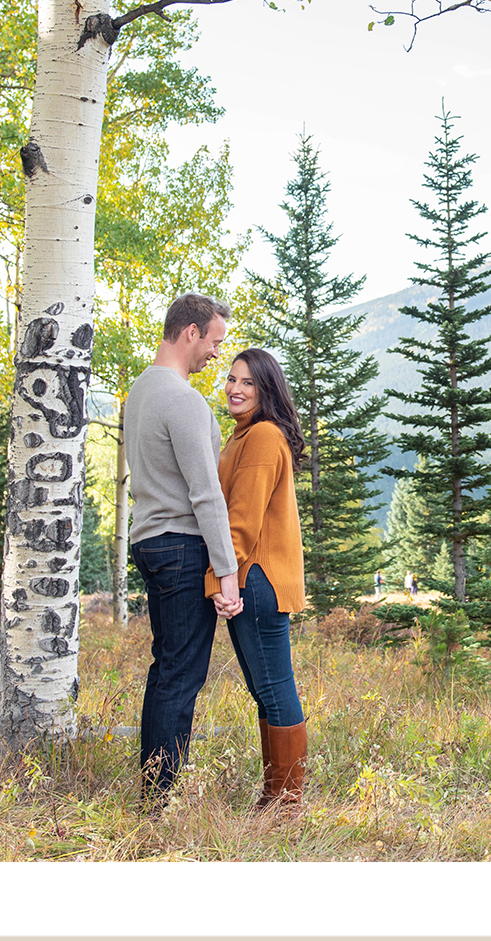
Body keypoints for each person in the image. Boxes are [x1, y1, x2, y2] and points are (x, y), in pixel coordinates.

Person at [124, 293, 243, 806]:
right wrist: (228, 570)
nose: (217, 353)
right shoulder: (183, 399)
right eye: (214, 341)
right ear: (191, 332)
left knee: (166, 666)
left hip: (149, 541)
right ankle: (161, 797)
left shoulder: (139, 392)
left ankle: (156, 787)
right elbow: (205, 493)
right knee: (182, 672)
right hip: (181, 545)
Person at [204, 347, 309, 808]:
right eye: (231, 379)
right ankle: (275, 796)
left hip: (257, 580)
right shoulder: (243, 437)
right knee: (263, 688)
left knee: (273, 686)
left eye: (247, 382)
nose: (235, 389)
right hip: (249, 578)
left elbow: (239, 523)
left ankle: (285, 802)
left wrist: (215, 580)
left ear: (266, 389)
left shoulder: (263, 437)